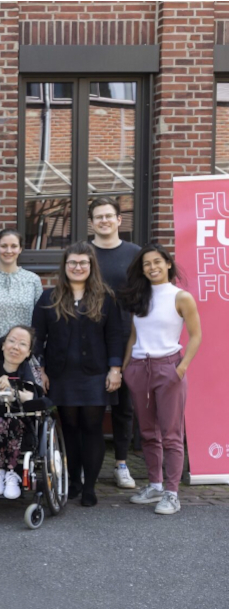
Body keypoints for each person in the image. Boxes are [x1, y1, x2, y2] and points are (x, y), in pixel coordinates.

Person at [32, 242, 123, 508]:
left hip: (96, 374)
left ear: (91, 266)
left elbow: (115, 336)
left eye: (83, 262)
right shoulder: (48, 298)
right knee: (70, 429)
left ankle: (90, 487)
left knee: (92, 428)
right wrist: (41, 370)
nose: (78, 267)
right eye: (72, 262)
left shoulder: (106, 297)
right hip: (61, 374)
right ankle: (73, 481)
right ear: (65, 266)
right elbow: (37, 337)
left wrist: (115, 369)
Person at [120, 244, 201, 516]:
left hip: (169, 367)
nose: (152, 267)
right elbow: (134, 336)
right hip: (139, 368)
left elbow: (196, 335)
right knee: (147, 433)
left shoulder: (181, 297)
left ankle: (171, 492)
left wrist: (182, 368)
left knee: (171, 434)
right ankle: (154, 485)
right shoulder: (139, 297)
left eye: (157, 262)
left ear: (168, 263)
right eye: (146, 264)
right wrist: (125, 368)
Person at [90, 197, 142, 490]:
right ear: (92, 222)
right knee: (93, 405)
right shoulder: (85, 253)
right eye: (99, 217)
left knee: (124, 406)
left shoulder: (135, 255)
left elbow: (142, 298)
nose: (104, 221)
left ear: (119, 220)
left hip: (126, 337)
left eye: (109, 216)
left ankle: (121, 464)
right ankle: (89, 463)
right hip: (91, 338)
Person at [0, 325, 39, 500]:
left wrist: (13, 391)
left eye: (22, 344)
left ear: (28, 352)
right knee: (0, 422)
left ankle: (11, 472)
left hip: (21, 420)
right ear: (3, 345)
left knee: (12, 422)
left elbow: (30, 397)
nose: (15, 347)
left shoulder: (25, 369)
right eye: (11, 341)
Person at [0, 230, 43, 380]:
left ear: (20, 249)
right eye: (4, 246)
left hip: (23, 355)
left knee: (22, 401)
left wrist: (39, 357)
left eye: (14, 246)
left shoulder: (32, 280)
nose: (8, 251)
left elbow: (40, 321)